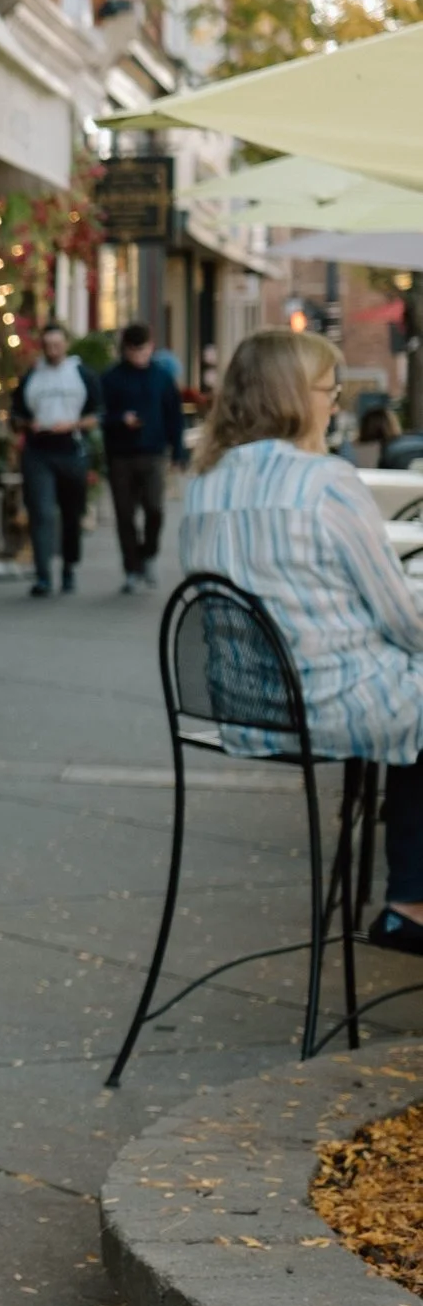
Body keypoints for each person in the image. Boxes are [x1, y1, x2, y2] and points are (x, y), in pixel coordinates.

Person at [177, 327, 423, 954]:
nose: (336, 402)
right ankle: (408, 901)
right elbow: (401, 620)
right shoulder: (324, 482)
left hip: (246, 709)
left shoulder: (202, 486)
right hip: (331, 704)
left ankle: (407, 894)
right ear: (292, 396)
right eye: (328, 389)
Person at [98, 318, 187, 592]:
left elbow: (174, 415)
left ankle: (149, 554)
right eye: (134, 350)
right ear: (125, 350)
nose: (140, 355)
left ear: (151, 347)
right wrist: (119, 420)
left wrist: (179, 451)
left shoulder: (161, 377)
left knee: (155, 508)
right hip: (121, 454)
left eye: (144, 350)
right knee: (124, 515)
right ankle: (132, 569)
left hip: (153, 452)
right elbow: (100, 415)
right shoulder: (111, 378)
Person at [12, 320, 96, 598]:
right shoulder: (33, 376)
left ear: (65, 345)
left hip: (71, 449)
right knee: (42, 512)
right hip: (39, 451)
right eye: (48, 346)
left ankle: (69, 568)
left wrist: (72, 425)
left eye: (57, 345)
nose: (53, 350)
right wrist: (26, 424)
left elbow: (96, 416)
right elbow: (17, 414)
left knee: (71, 514)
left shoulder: (81, 374)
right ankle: (43, 574)